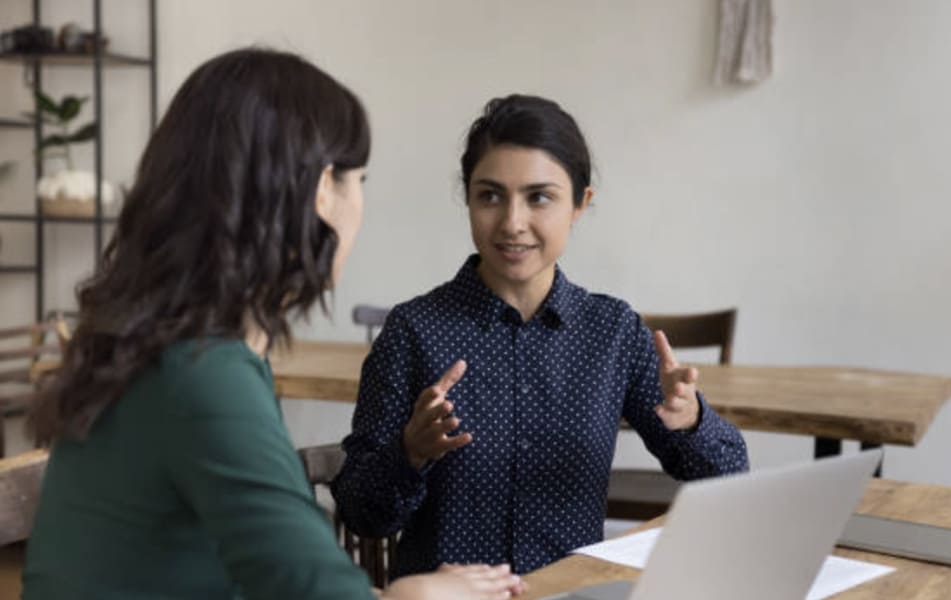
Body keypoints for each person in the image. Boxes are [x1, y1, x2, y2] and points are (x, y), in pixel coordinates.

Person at [22, 48, 525, 600]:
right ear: (321, 192)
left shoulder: (163, 348)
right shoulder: (203, 374)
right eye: (360, 179)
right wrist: (423, 595)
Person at [332, 94, 750, 577]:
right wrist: (411, 452)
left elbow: (728, 478)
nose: (512, 223)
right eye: (490, 195)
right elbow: (363, 516)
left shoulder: (613, 332)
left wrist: (692, 420)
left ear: (579, 204)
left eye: (539, 197)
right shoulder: (412, 332)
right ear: (467, 198)